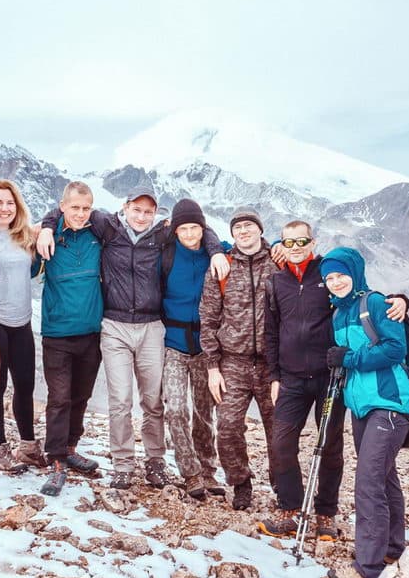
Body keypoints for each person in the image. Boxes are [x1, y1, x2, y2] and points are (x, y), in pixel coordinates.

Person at [37, 184, 228, 491]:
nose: (141, 216)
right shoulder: (106, 225)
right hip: (114, 326)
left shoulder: (163, 234)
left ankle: (155, 463)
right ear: (124, 208)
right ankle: (123, 465)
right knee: (120, 400)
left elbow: (198, 231)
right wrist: (47, 228)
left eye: (148, 211)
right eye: (136, 210)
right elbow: (69, 209)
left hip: (152, 327)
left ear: (156, 214)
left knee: (153, 401)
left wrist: (217, 250)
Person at [258, 221, 407, 540]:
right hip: (292, 379)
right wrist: (274, 376)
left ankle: (325, 513)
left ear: (312, 242)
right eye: (289, 242)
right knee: (281, 443)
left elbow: (357, 293)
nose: (295, 247)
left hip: (331, 378)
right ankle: (290, 509)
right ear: (280, 245)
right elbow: (270, 332)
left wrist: (399, 299)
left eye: (302, 241)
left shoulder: (327, 274)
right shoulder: (276, 282)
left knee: (330, 445)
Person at [321, 246, 409, 578]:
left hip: (388, 404)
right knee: (385, 478)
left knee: (368, 482)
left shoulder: (374, 303)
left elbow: (394, 348)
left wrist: (349, 357)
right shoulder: (337, 314)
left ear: (355, 273)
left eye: (341, 274)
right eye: (329, 278)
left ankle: (368, 567)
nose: (336, 282)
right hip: (362, 407)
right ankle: (391, 547)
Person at [199, 206, 278, 510]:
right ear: (231, 234)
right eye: (238, 228)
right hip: (233, 361)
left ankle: (281, 485)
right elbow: (208, 317)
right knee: (229, 426)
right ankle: (241, 482)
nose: (244, 232)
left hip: (273, 365)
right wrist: (212, 366)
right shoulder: (222, 266)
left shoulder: (278, 263)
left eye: (249, 226)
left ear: (260, 229)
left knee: (279, 429)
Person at [34, 181, 105, 496]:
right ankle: (56, 459)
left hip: (91, 332)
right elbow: (29, 270)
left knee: (81, 396)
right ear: (62, 206)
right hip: (58, 332)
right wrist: (46, 228)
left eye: (85, 208)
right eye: (74, 207)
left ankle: (71, 447)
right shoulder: (48, 237)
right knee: (59, 398)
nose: (80, 213)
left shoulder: (98, 235)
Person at [0, 179, 45, 471]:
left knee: (25, 385)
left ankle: (28, 447)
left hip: (22, 320)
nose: (5, 208)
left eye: (10, 203)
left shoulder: (25, 236)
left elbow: (51, 225)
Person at [160, 199, 225, 500]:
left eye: (195, 227)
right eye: (183, 228)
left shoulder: (217, 253)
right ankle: (191, 473)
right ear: (175, 229)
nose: (189, 234)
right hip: (172, 344)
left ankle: (209, 471)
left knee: (204, 413)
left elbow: (252, 248)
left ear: (203, 227)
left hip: (205, 347)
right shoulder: (166, 254)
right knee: (175, 409)